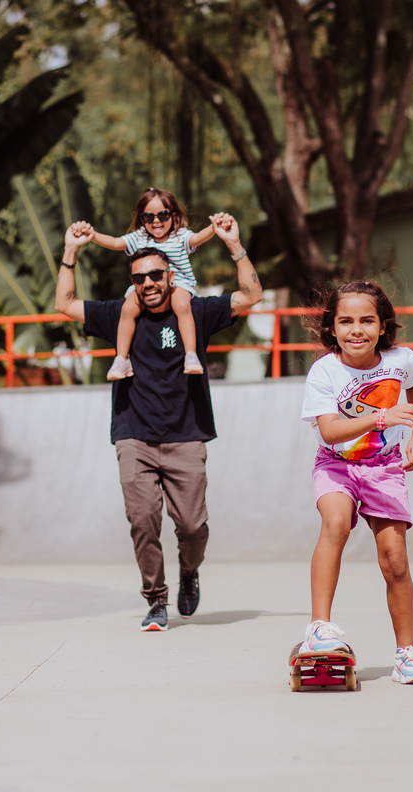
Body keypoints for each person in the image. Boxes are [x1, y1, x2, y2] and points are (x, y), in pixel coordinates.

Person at [55, 213, 264, 631]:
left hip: (186, 435)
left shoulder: (196, 311)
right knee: (142, 521)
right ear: (132, 282)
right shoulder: (121, 314)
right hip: (134, 435)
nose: (148, 283)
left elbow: (251, 295)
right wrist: (70, 252)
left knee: (192, 526)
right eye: (139, 278)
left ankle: (189, 570)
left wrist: (233, 244)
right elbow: (65, 304)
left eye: (155, 275)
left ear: (170, 275)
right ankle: (156, 599)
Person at [297, 281, 413, 684]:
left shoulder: (400, 360)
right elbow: (330, 431)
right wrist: (381, 418)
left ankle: (406, 655)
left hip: (384, 467)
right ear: (332, 327)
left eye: (367, 321)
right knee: (335, 523)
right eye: (346, 321)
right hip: (336, 464)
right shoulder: (325, 371)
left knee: (395, 559)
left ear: (382, 325)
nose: (356, 330)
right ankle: (319, 627)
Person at [81, 187, 216, 380]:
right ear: (141, 219)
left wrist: (214, 228)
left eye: (163, 215)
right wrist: (93, 236)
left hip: (178, 283)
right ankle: (122, 359)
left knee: (181, 305)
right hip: (146, 285)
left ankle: (191, 355)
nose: (156, 221)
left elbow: (197, 238)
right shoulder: (139, 238)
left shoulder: (180, 236)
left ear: (173, 216)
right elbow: (116, 243)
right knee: (127, 309)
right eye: (148, 217)